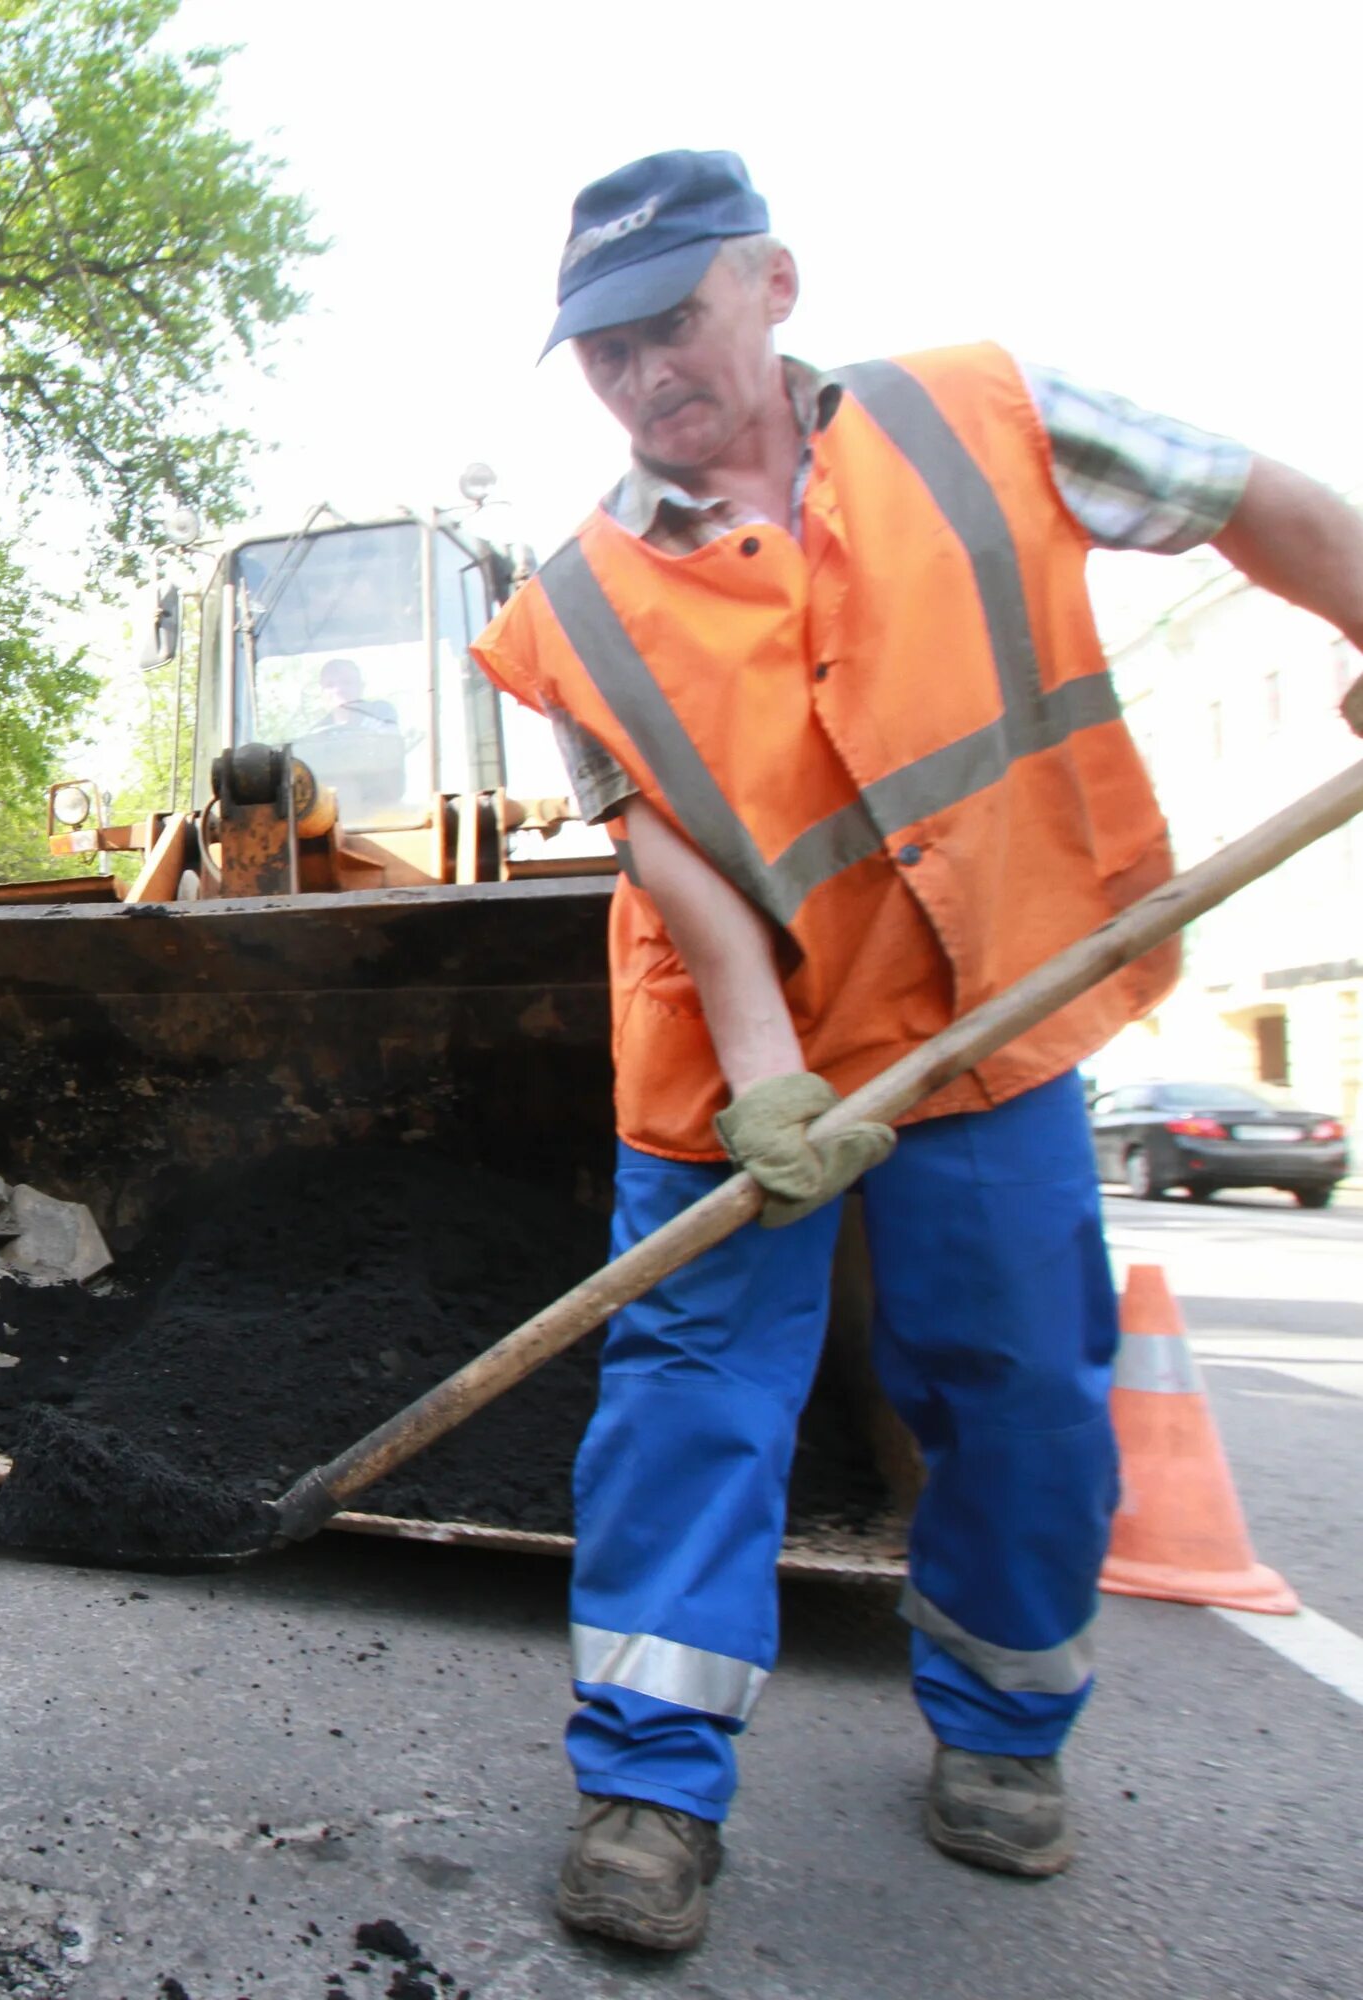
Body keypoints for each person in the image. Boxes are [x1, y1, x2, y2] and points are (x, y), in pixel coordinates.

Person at [471, 148, 1363, 1952]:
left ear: (774, 284)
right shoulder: (569, 610)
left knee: (1022, 1389)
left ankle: (1007, 1736)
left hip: (994, 1021)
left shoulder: (986, 416)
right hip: (734, 1070)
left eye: (675, 321)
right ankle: (650, 1788)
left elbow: (1249, 496)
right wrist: (757, 1058)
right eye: (605, 349)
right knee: (693, 1402)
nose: (647, 372)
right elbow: (662, 846)